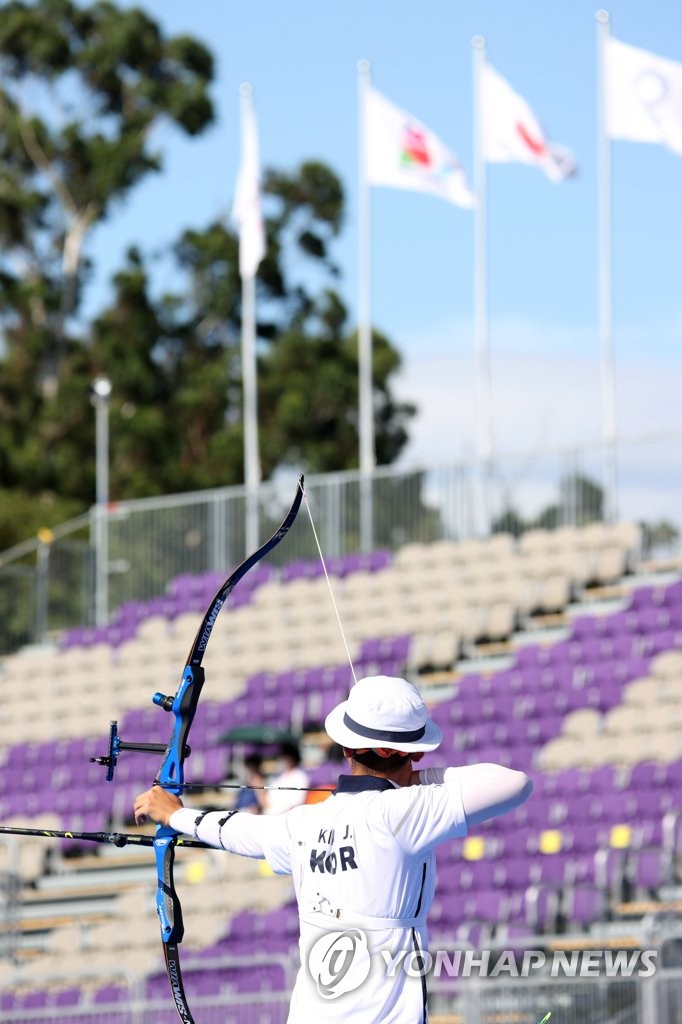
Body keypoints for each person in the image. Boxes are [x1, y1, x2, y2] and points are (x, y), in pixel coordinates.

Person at [134, 675, 532, 1023]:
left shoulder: (304, 823)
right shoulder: (405, 811)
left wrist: (176, 816)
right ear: (414, 751)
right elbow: (515, 783)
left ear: (345, 747)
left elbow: (239, 830)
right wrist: (418, 771)